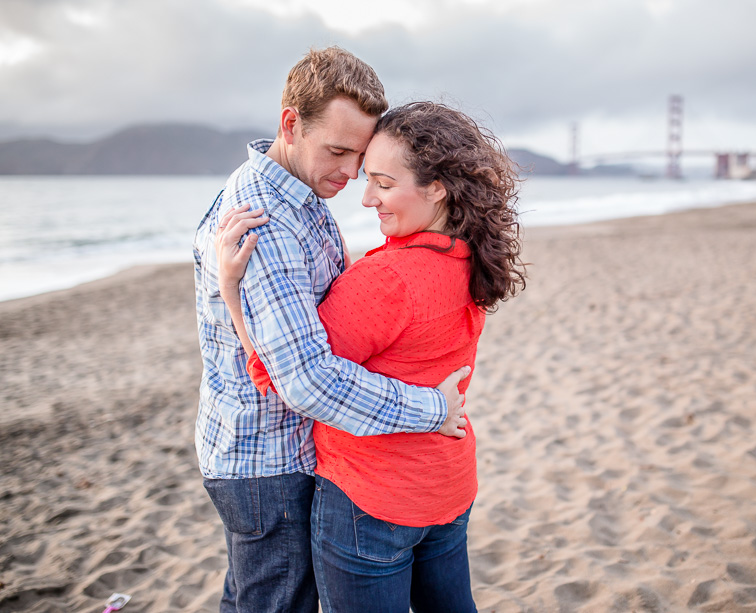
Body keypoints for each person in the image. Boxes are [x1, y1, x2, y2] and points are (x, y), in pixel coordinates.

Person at [216, 101, 526, 612]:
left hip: (372, 499)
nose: (366, 199)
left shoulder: (387, 280)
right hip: (448, 487)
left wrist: (232, 291)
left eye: (383, 184)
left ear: (437, 187)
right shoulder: (471, 256)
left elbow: (287, 375)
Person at [192, 48, 470, 613]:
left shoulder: (303, 191)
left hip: (284, 451)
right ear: (290, 125)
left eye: (360, 158)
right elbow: (308, 382)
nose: (350, 175)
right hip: (267, 460)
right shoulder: (262, 222)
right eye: (338, 152)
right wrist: (432, 411)